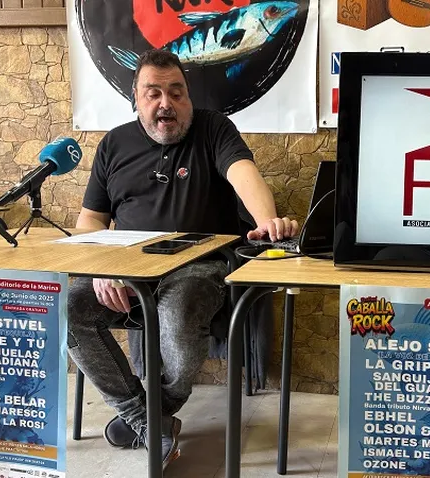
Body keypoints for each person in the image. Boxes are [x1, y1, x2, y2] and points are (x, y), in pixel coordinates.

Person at [67, 48, 299, 471]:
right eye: (153, 93)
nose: (166, 103)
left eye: (176, 93)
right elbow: (90, 220)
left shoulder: (214, 128)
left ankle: (144, 415)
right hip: (125, 268)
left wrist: (267, 221)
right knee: (70, 307)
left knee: (177, 315)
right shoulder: (113, 144)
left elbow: (243, 173)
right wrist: (99, 266)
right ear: (136, 99)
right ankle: (148, 420)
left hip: (199, 264)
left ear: (189, 98)